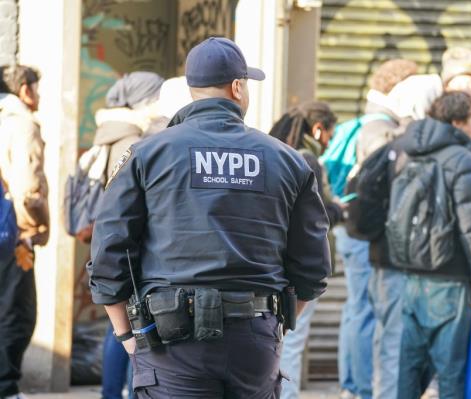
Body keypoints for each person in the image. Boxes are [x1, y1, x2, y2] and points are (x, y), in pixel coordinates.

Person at [87, 37, 331, 398]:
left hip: (170, 342)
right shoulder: (287, 160)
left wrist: (127, 336)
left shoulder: (147, 154)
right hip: (254, 339)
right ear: (237, 87)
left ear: (192, 89)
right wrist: (273, 327)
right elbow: (313, 268)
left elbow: (109, 253)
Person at [393, 91, 471, 398]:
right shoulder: (462, 158)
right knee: (451, 372)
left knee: (409, 368)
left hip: (412, 276)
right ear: (458, 122)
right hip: (450, 277)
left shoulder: (409, 151)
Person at [335, 58, 417, 399]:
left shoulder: (368, 121)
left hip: (351, 228)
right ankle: (360, 387)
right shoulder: (381, 129)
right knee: (366, 310)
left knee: (358, 308)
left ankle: (354, 385)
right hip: (364, 233)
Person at [359, 73, 442, 399]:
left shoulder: (390, 145)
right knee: (419, 340)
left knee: (389, 336)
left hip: (385, 257)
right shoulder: (432, 147)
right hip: (424, 262)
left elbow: (365, 207)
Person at [93, 71, 164, 399]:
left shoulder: (110, 132)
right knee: (124, 329)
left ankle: (112, 393)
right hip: (126, 247)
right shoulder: (131, 140)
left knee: (117, 327)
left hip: (109, 244)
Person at [269, 101, 341, 399]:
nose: (331, 141)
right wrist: (338, 209)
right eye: (331, 134)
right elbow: (316, 217)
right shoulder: (307, 159)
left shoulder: (274, 154)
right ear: (318, 129)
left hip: (274, 262)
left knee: (278, 339)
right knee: (291, 341)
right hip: (297, 267)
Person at [0, 65, 49, 399]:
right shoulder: (23, 126)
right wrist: (41, 225)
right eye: (36, 87)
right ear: (25, 90)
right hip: (17, 237)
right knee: (17, 315)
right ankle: (6, 388)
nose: (39, 95)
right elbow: (28, 189)